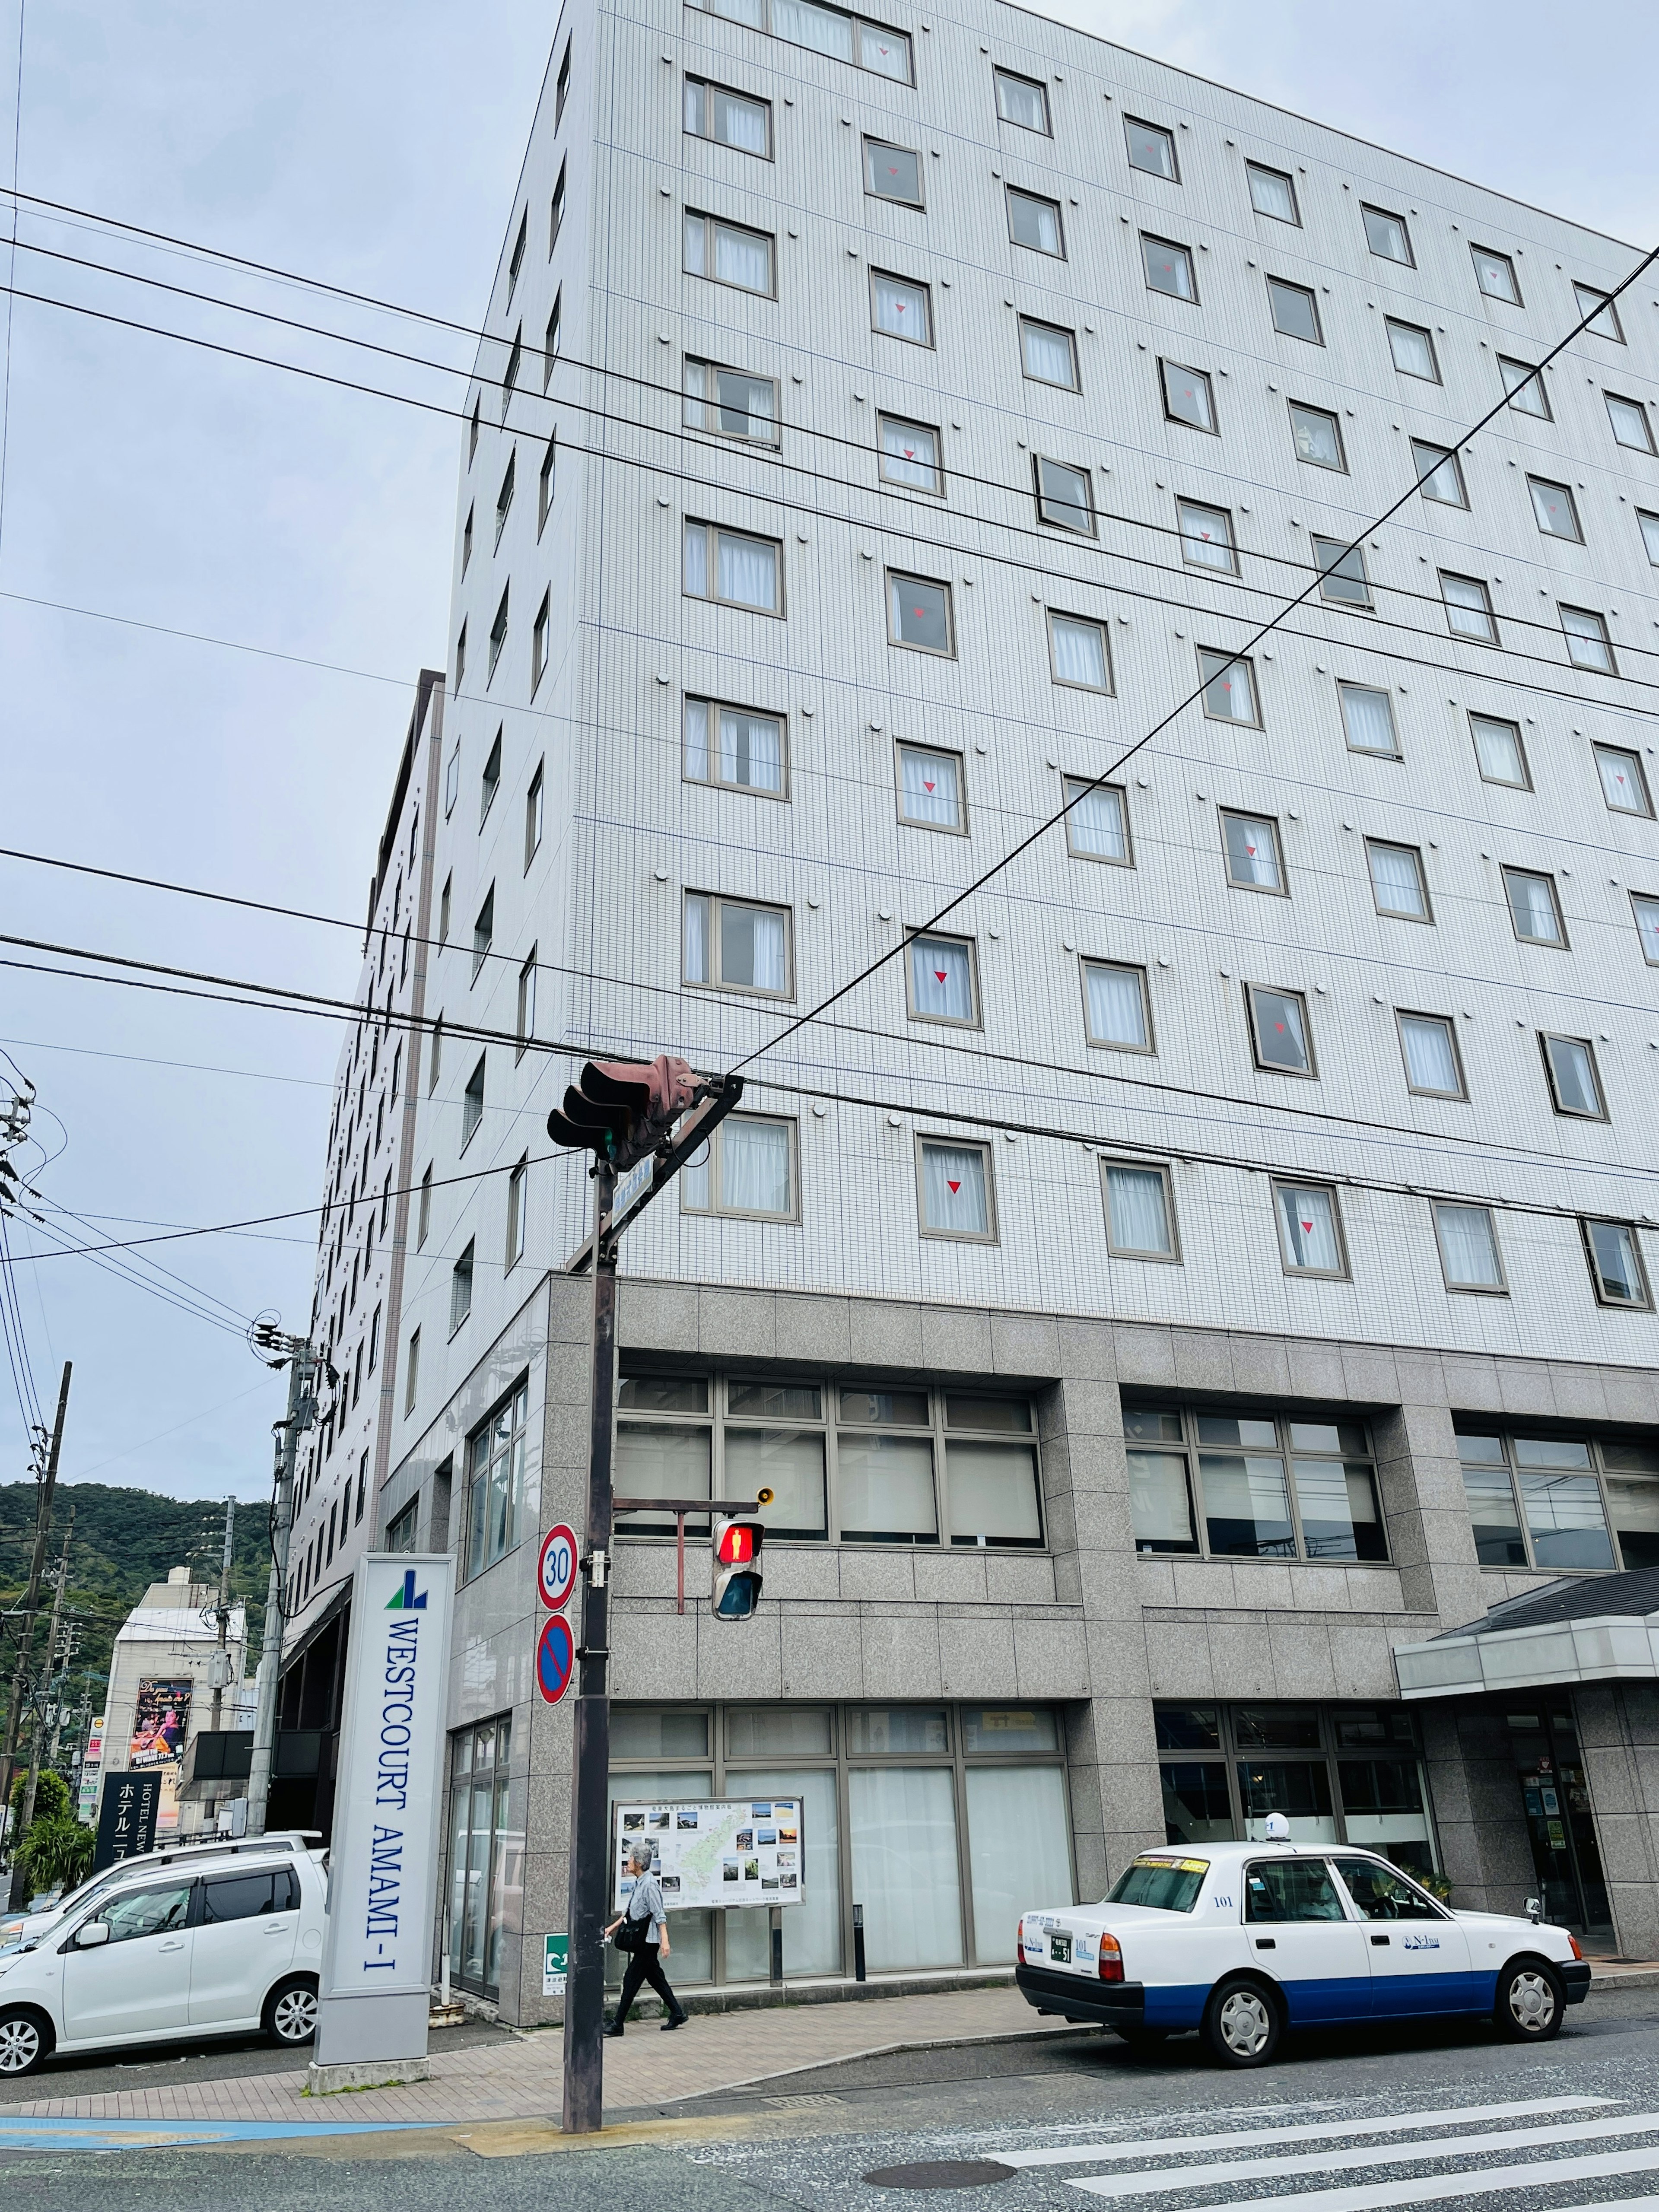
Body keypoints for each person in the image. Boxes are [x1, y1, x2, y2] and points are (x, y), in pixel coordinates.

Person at [602, 1846, 688, 2035]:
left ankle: (617, 2025)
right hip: (643, 1942)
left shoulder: (650, 1885)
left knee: (631, 1980)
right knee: (656, 1978)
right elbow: (630, 1912)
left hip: (648, 1942)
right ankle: (677, 2013)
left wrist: (665, 1941)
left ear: (639, 1864)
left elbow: (660, 1915)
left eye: (631, 1860)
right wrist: (612, 1927)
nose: (628, 1862)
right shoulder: (640, 1882)